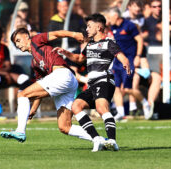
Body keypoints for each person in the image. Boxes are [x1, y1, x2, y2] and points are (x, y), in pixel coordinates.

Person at [0, 28, 94, 145]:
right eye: (15, 43)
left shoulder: (36, 40)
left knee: (22, 94)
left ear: (26, 37)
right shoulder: (35, 63)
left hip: (63, 75)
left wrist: (75, 34)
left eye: (18, 40)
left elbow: (56, 33)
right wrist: (33, 109)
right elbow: (40, 88)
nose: (17, 45)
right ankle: (99, 139)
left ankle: (20, 131)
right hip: (69, 81)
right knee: (64, 127)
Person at [52, 13, 130, 151]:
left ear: (99, 27)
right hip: (92, 83)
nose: (87, 29)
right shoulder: (89, 45)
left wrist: (125, 63)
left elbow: (121, 56)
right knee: (76, 106)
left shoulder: (108, 42)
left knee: (101, 108)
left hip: (104, 80)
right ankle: (97, 139)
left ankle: (112, 140)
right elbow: (79, 59)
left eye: (89, 26)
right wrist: (65, 52)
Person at [107, 7, 151, 121]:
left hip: (129, 60)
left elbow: (140, 40)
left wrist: (138, 56)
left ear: (116, 16)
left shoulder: (129, 25)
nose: (108, 19)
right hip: (117, 61)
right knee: (116, 87)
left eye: (109, 17)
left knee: (127, 88)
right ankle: (120, 113)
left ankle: (145, 104)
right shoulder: (113, 27)